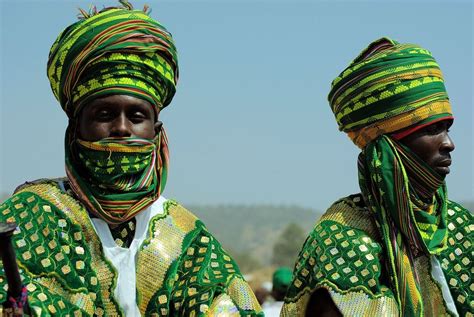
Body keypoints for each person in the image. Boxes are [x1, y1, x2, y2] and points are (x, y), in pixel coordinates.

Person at [0, 2, 262, 316]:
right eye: (105, 114)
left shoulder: (188, 239)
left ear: (156, 131)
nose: (122, 128)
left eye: (136, 116)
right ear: (76, 127)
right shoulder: (31, 216)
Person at [281, 38, 472, 316]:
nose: (448, 143)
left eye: (447, 129)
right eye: (432, 130)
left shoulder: (460, 227)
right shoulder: (343, 238)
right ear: (390, 147)